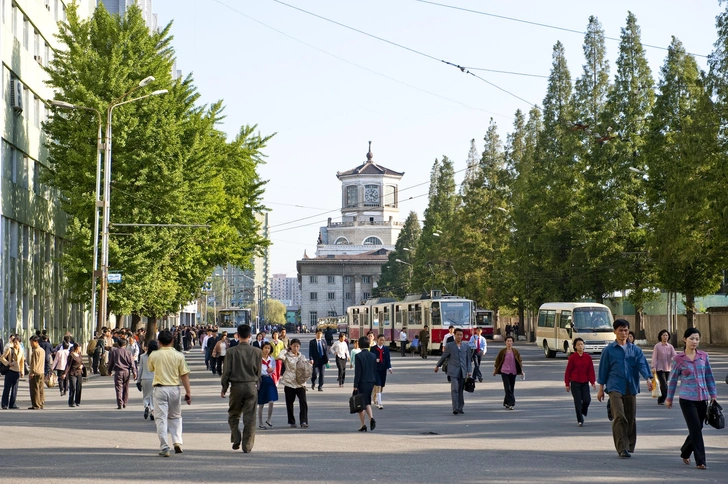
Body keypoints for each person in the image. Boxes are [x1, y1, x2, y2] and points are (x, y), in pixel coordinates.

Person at [596, 319, 652, 458]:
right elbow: (603, 370)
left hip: (631, 386)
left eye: (626, 330)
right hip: (614, 386)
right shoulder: (608, 350)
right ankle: (622, 448)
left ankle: (629, 445)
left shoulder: (635, 350)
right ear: (615, 331)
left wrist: (648, 379)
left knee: (630, 417)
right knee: (619, 416)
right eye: (620, 330)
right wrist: (601, 389)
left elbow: (642, 365)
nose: (623, 333)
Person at [665, 328, 718, 470]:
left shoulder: (704, 356)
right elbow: (673, 380)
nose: (695, 342)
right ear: (684, 339)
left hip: (702, 398)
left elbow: (709, 376)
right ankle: (700, 461)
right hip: (687, 399)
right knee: (695, 428)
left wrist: (713, 394)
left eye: (697, 339)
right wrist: (668, 399)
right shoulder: (678, 359)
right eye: (692, 338)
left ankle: (685, 451)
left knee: (698, 427)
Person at [148, 330, 191, 457]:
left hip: (160, 388)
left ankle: (165, 446)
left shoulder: (154, 355)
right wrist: (188, 392)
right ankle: (177, 441)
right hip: (174, 389)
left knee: (161, 419)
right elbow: (184, 375)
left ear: (159, 342)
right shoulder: (179, 355)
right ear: (172, 341)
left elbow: (151, 369)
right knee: (176, 417)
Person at [221, 324, 261, 453]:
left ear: (237, 335)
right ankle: (247, 445)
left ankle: (236, 436)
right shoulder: (257, 352)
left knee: (233, 414)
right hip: (251, 386)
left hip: (236, 387)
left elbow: (226, 372)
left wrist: (224, 387)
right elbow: (259, 372)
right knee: (250, 416)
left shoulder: (231, 352)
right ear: (250, 336)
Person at [435, 328, 472, 415]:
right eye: (457, 335)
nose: (459, 336)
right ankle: (455, 407)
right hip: (453, 371)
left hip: (463, 371)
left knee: (460, 390)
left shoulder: (466, 346)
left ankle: (460, 407)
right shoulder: (449, 346)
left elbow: (468, 359)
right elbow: (444, 357)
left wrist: (469, 371)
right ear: (454, 335)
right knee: (454, 389)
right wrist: (437, 366)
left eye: (461, 335)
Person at [564, 337, 596, 426]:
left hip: (584, 382)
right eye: (578, 345)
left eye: (582, 344)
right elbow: (568, 371)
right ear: (575, 346)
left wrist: (593, 382)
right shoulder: (572, 358)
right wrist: (567, 384)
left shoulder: (588, 357)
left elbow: (591, 371)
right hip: (575, 382)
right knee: (577, 401)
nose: (581, 346)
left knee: (587, 400)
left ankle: (583, 410)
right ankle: (580, 420)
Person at [280, 338, 309, 428]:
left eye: (297, 346)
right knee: (289, 403)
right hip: (289, 382)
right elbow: (279, 356)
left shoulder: (302, 357)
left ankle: (303, 421)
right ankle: (291, 421)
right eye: (294, 346)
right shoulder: (287, 356)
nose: (295, 348)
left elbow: (306, 368)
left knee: (303, 402)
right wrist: (285, 350)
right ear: (290, 346)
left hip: (300, 383)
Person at [493, 335, 524, 410]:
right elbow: (497, 361)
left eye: (510, 341)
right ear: (505, 342)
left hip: (513, 372)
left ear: (513, 342)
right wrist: (495, 369)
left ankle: (506, 402)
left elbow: (519, 361)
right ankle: (511, 403)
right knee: (507, 388)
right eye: (508, 341)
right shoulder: (502, 351)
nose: (509, 342)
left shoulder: (515, 351)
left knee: (511, 388)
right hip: (504, 371)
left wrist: (521, 370)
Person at [353, 336, 377, 432]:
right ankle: (371, 418)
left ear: (359, 344)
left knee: (360, 404)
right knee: (367, 401)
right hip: (371, 381)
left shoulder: (358, 356)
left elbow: (358, 372)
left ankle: (363, 424)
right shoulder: (373, 356)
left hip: (362, 382)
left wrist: (355, 385)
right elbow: (374, 370)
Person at [107, 338, 137, 409]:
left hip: (118, 372)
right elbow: (132, 363)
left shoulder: (115, 352)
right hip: (126, 371)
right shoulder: (128, 352)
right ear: (125, 344)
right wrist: (134, 372)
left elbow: (111, 362)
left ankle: (120, 403)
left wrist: (109, 370)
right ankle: (125, 402)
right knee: (126, 387)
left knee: (118, 388)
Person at [652, 329, 677, 406]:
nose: (665, 337)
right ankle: (667, 398)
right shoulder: (657, 346)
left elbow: (675, 356)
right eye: (663, 335)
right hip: (659, 368)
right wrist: (653, 367)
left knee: (664, 385)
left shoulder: (670, 347)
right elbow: (654, 357)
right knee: (664, 385)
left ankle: (660, 399)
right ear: (660, 336)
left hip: (667, 368)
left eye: (666, 335)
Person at [257, 341, 278, 430]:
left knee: (271, 401)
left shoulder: (272, 359)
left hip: (269, 379)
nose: (267, 350)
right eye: (265, 348)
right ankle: (260, 423)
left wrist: (271, 369)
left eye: (268, 348)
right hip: (261, 380)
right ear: (262, 349)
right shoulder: (258, 359)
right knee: (261, 403)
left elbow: (273, 369)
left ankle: (269, 420)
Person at [1, 335, 25, 409]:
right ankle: (4, 404)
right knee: (7, 388)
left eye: (16, 343)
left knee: (15, 389)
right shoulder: (9, 349)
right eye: (14, 342)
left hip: (17, 371)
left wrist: (22, 371)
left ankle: (12, 404)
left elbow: (21, 362)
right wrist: (8, 363)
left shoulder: (21, 350)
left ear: (20, 343)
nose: (15, 344)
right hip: (10, 371)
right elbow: (2, 358)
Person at [138, 340, 159, 421]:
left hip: (145, 378)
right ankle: (153, 411)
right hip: (155, 379)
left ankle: (146, 406)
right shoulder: (158, 356)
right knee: (153, 396)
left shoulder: (143, 356)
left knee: (146, 395)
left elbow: (141, 369)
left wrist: (138, 381)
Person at [371, 335, 393, 410]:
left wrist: (389, 367)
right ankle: (379, 402)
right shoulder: (373, 349)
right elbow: (371, 358)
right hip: (376, 369)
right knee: (378, 385)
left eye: (383, 340)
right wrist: (374, 360)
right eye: (380, 340)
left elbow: (388, 359)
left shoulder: (386, 349)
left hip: (383, 369)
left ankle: (376, 397)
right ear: (377, 340)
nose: (382, 341)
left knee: (382, 386)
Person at [28, 336, 46, 410]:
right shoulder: (42, 350)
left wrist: (32, 372)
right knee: (41, 389)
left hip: (36, 372)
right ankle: (41, 403)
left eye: (32, 342)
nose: (31, 344)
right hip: (41, 371)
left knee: (35, 389)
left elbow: (34, 363)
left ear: (36, 342)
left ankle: (36, 404)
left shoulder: (36, 351)